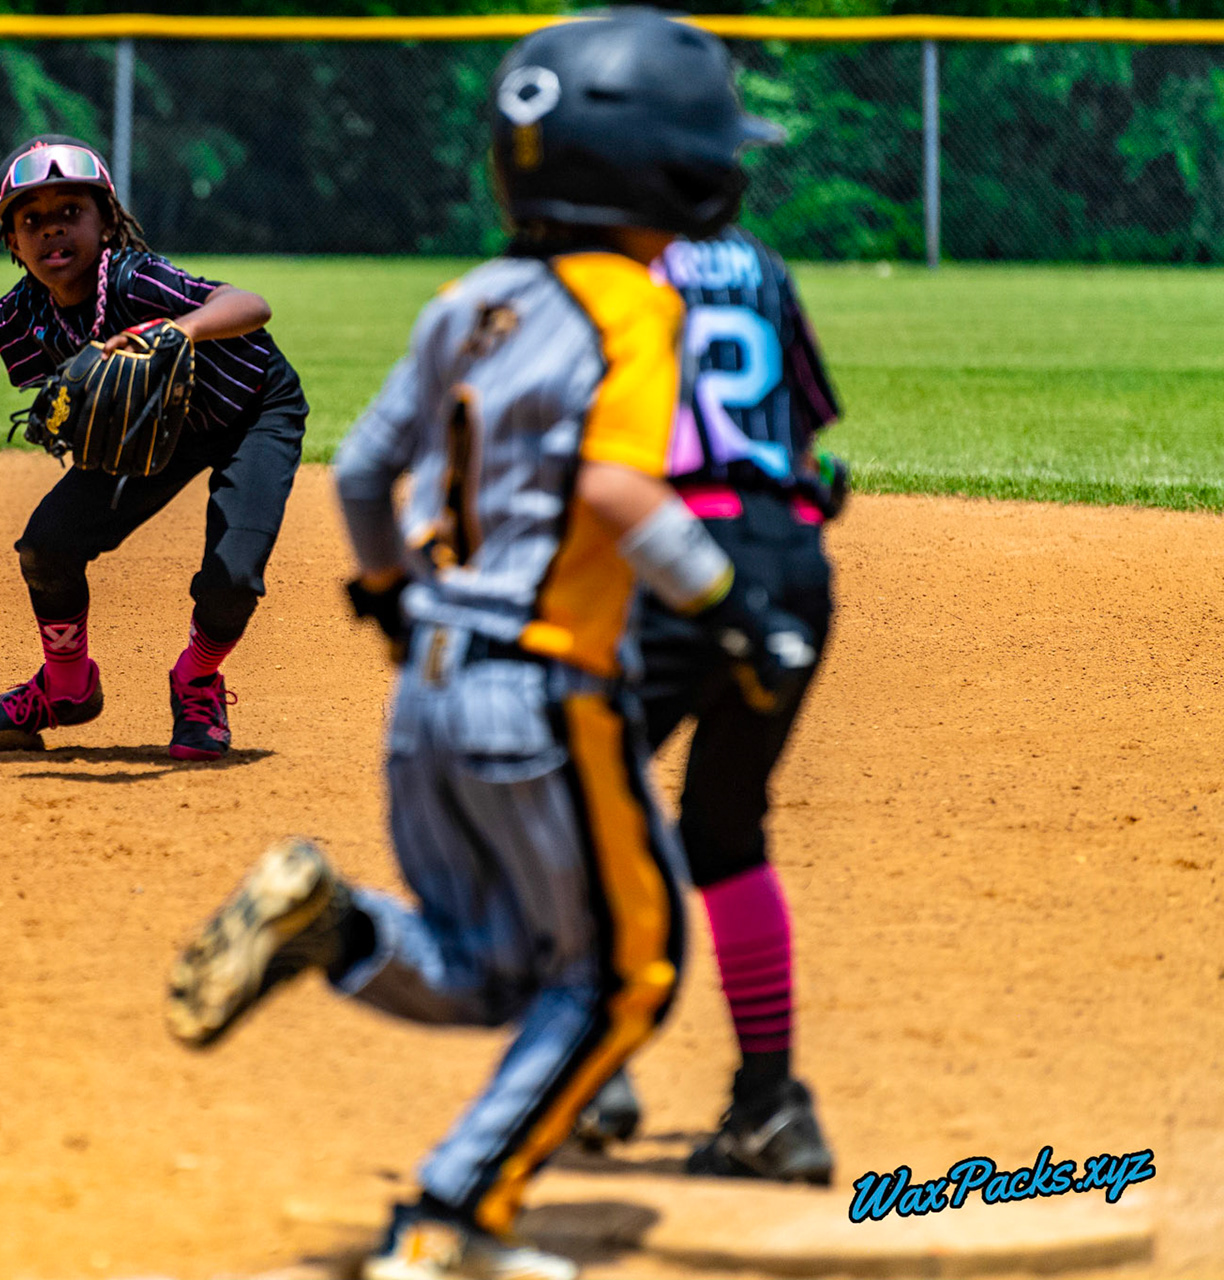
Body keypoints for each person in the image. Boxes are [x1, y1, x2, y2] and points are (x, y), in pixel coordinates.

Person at [163, 15, 809, 1279]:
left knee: (496, 967)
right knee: (631, 972)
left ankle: (334, 928)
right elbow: (626, 497)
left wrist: (395, 597)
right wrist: (736, 609)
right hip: (546, 689)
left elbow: (364, 473)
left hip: (430, 692)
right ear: (659, 169)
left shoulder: (472, 298)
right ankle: (455, 1218)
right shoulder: (635, 303)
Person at [0, 134, 307, 761]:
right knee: (47, 545)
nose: (52, 230)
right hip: (158, 430)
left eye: (71, 212)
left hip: (251, 410)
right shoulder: (35, 306)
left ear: (107, 222)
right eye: (31, 220)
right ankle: (64, 688)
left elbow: (250, 304)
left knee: (233, 576)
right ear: (12, 243)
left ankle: (197, 678)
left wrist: (182, 329)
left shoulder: (133, 280)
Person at [573, 228, 844, 1184]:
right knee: (727, 832)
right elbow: (805, 433)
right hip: (795, 558)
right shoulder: (763, 262)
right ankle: (771, 1109)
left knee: (570, 798)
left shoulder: (612, 264)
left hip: (675, 564)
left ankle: (589, 1066)